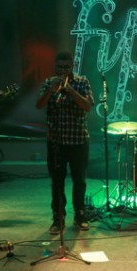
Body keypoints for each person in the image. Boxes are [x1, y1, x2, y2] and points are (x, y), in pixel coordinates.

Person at [36, 51, 94, 234]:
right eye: (60, 67)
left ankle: (80, 215)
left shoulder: (82, 81)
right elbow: (39, 105)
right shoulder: (49, 82)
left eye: (66, 67)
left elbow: (88, 106)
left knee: (79, 181)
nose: (63, 71)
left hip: (78, 141)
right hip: (56, 143)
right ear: (55, 66)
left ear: (72, 66)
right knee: (57, 182)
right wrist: (51, 90)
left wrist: (70, 90)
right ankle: (58, 218)